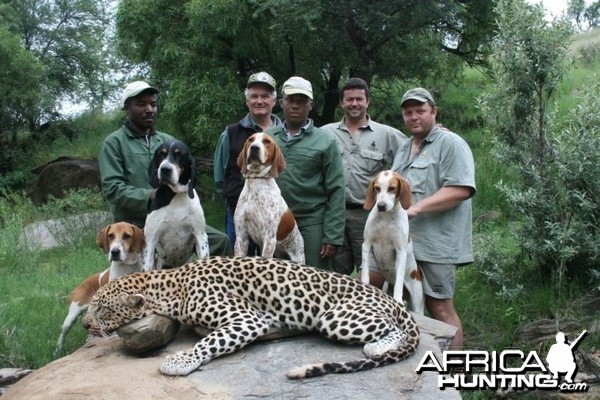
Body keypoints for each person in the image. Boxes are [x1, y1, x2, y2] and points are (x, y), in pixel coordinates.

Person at [99, 80, 232, 256]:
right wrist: (149, 196)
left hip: (176, 217)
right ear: (127, 108)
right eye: (141, 104)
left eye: (153, 104)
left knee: (221, 241)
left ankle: (213, 282)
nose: (149, 109)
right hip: (135, 223)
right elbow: (112, 189)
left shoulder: (167, 140)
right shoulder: (114, 143)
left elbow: (185, 176)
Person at [391, 87, 475, 349]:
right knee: (407, 303)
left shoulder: (451, 144)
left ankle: (455, 373)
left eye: (420, 111)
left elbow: (460, 189)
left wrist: (416, 209)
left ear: (434, 112)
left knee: (439, 307)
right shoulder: (404, 148)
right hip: (406, 242)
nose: (414, 117)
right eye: (408, 112)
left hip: (437, 243)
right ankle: (417, 361)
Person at [321, 77, 407, 277]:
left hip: (370, 214)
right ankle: (338, 308)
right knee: (334, 275)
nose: (354, 104)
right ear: (342, 102)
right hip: (334, 213)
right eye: (349, 99)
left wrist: (436, 133)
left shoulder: (386, 134)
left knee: (372, 275)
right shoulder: (325, 133)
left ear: (368, 101)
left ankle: (374, 307)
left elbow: (413, 152)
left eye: (359, 99)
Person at [265, 76, 345, 269]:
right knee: (274, 278)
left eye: (301, 101)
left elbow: (336, 188)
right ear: (282, 103)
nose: (295, 106)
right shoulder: (267, 138)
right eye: (291, 100)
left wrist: (332, 235)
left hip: (311, 221)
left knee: (313, 278)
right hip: (274, 220)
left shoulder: (325, 141)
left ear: (310, 105)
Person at [213, 72, 282, 253]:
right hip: (238, 209)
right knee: (239, 271)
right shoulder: (230, 133)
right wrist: (232, 198)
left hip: (275, 215)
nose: (260, 101)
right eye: (254, 96)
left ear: (274, 101)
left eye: (265, 96)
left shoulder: (284, 133)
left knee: (273, 274)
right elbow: (220, 176)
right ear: (247, 101)